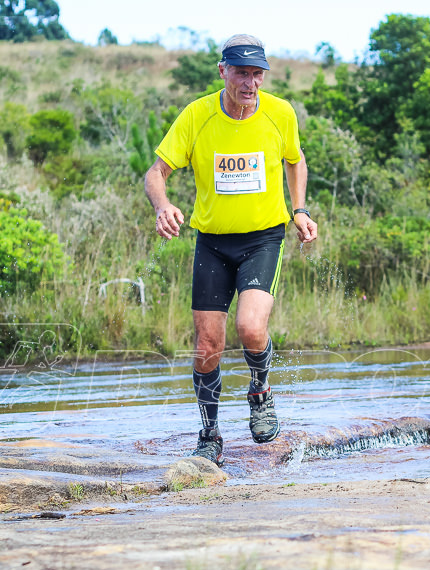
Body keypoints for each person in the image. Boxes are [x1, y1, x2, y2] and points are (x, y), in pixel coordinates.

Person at [143, 34, 317, 467]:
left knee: (251, 328)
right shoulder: (198, 115)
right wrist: (163, 206)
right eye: (241, 72)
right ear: (223, 71)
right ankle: (210, 435)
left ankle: (260, 393)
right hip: (213, 243)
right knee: (207, 344)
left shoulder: (279, 113)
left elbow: (295, 160)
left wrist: (299, 209)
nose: (250, 83)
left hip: (263, 238)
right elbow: (155, 173)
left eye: (257, 73)